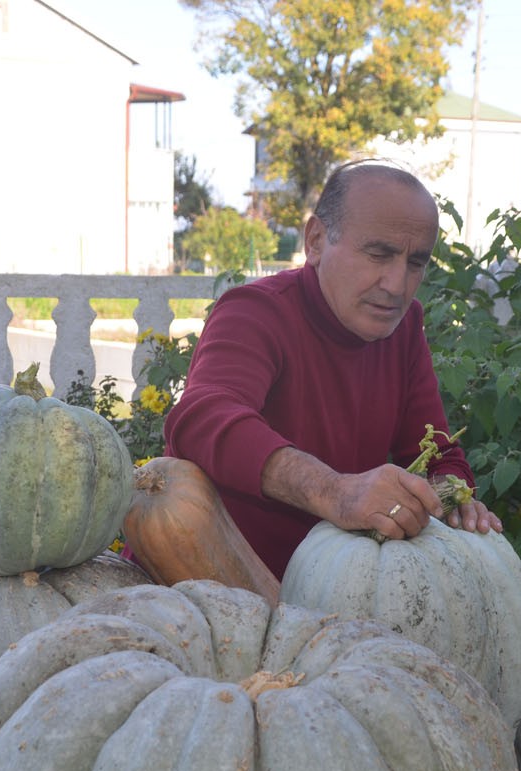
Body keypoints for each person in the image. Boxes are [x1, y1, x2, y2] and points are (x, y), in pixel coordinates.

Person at [162, 158, 502, 579]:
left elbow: (436, 453)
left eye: (416, 263)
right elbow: (200, 418)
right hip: (205, 585)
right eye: (379, 254)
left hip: (328, 594)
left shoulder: (404, 326)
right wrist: (335, 492)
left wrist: (453, 498)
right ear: (317, 240)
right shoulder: (255, 311)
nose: (397, 285)